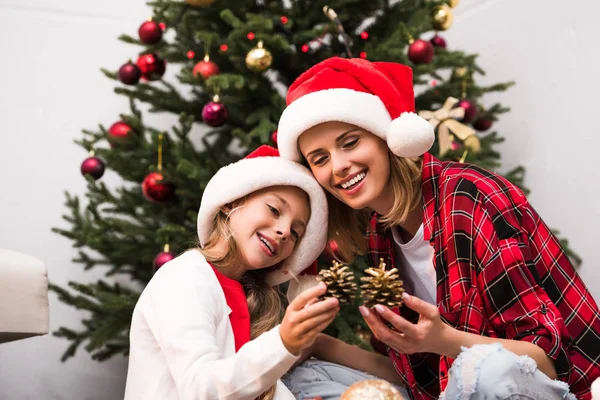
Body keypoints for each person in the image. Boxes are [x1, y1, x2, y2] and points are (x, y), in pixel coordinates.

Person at [275, 57, 600, 400]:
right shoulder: (380, 233)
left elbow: (546, 363)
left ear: (389, 138)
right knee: (307, 376)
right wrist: (317, 344)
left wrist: (442, 340)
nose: (339, 166)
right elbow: (418, 382)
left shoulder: (468, 197)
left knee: (485, 369)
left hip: (559, 389)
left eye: (350, 142)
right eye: (320, 158)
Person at [124, 145, 406, 400]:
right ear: (231, 201)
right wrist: (284, 341)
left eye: (296, 232)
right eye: (273, 209)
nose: (284, 231)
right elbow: (200, 389)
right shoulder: (184, 277)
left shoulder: (248, 299)